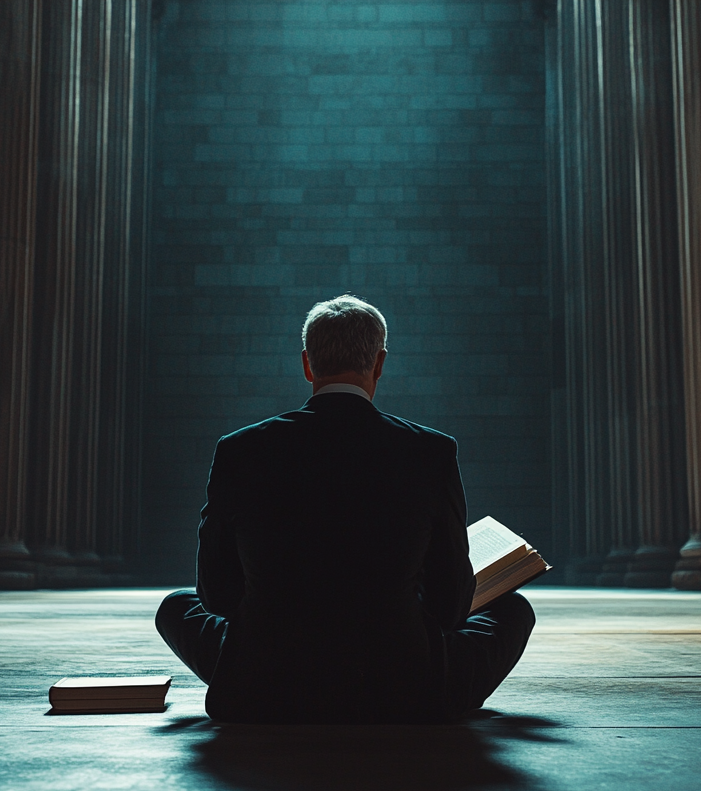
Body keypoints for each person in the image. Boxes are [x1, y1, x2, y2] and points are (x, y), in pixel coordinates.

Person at [156, 295, 535, 723]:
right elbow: (449, 609)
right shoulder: (431, 451)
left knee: (177, 605)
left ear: (307, 364)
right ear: (379, 363)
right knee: (512, 609)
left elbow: (217, 597)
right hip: (403, 689)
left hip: (264, 687)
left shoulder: (239, 450)